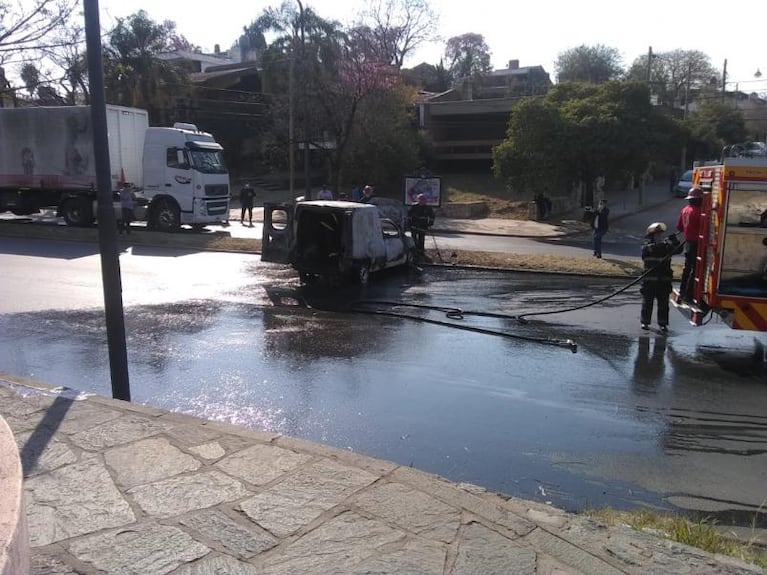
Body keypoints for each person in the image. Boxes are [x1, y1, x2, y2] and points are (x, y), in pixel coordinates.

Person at [640, 222, 680, 331]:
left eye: (661, 234)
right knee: (647, 303)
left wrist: (674, 241)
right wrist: (665, 243)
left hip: (663, 281)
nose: (659, 236)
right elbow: (653, 249)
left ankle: (663, 324)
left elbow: (678, 250)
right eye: (657, 234)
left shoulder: (666, 246)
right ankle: (645, 322)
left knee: (663, 305)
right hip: (650, 281)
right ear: (652, 236)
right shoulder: (646, 247)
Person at [676, 186, 703, 301]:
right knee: (695, 269)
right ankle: (688, 294)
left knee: (687, 269)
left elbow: (679, 227)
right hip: (697, 244)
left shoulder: (685, 210)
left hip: (688, 243)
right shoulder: (699, 212)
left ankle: (682, 292)